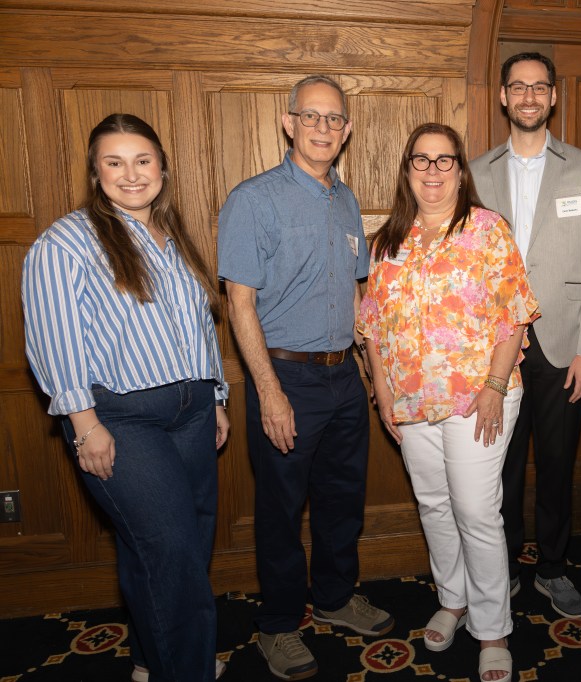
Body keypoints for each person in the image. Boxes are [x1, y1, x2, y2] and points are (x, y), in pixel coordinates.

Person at [22, 113, 229, 682]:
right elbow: (53, 339)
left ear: (163, 166)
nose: (131, 174)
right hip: (119, 418)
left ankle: (149, 658)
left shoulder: (172, 234)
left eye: (142, 160)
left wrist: (214, 396)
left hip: (190, 412)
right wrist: (85, 426)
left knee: (168, 545)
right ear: (96, 172)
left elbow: (197, 325)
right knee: (175, 556)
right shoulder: (65, 242)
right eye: (114, 162)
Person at [217, 75, 392, 681]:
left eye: (334, 119)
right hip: (284, 377)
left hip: (344, 378)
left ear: (347, 130)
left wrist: (369, 375)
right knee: (281, 511)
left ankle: (339, 598)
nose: (323, 127)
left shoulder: (345, 201)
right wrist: (268, 391)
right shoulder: (253, 199)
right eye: (311, 117)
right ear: (288, 123)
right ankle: (280, 625)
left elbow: (358, 294)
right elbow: (239, 304)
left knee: (343, 502)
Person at [358, 122, 538, 682]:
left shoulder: (488, 231)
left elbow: (514, 314)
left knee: (477, 513)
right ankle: (453, 599)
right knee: (434, 506)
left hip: (479, 398)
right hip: (411, 403)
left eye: (444, 161)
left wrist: (491, 385)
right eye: (421, 160)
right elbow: (373, 328)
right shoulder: (386, 242)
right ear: (407, 170)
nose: (433, 172)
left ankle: (493, 629)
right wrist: (381, 391)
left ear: (461, 171)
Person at [470, 52, 581, 618]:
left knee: (556, 465)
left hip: (562, 345)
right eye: (518, 87)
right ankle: (500, 570)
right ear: (503, 97)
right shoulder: (475, 172)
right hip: (494, 350)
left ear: (553, 97)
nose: (528, 96)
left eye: (539, 87)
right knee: (497, 468)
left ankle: (553, 568)